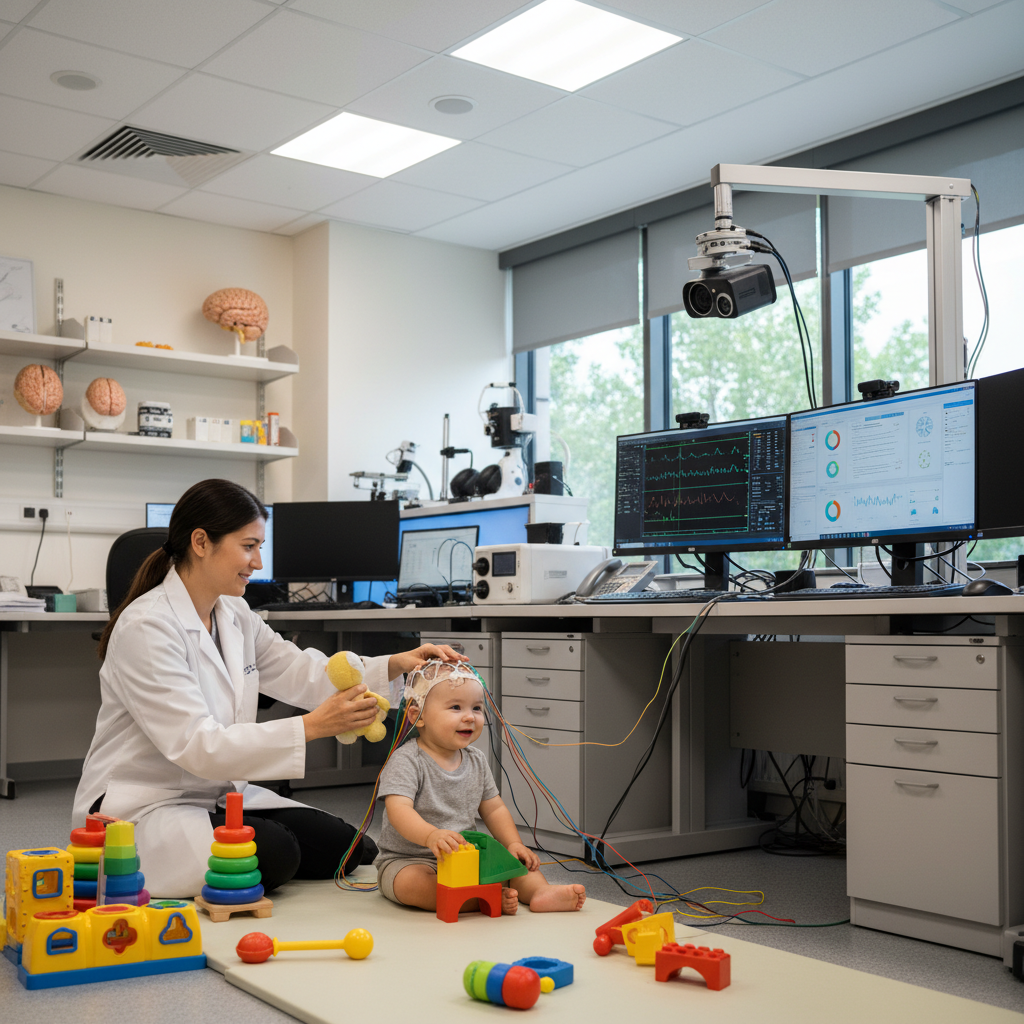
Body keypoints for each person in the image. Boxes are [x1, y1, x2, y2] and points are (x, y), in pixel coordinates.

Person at [74, 478, 465, 898]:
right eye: (248, 546)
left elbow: (300, 670)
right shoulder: (147, 626)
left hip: (217, 794)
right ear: (201, 542)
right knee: (278, 853)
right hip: (146, 803)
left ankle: (255, 834)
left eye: (260, 547)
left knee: (352, 850)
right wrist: (312, 727)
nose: (258, 563)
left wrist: (393, 664)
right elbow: (196, 745)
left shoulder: (234, 612)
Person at [374, 661, 586, 913]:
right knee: (412, 885)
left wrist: (513, 844)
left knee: (516, 866)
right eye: (455, 707)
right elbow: (399, 810)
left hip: (468, 857)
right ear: (416, 715)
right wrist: (431, 836)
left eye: (476, 708)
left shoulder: (476, 759)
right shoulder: (407, 760)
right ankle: (481, 898)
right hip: (411, 860)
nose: (469, 716)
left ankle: (539, 892)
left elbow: (494, 809)